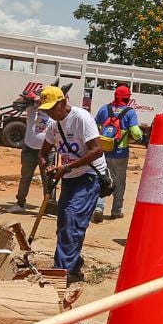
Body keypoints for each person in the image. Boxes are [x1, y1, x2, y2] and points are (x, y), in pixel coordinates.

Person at [38, 85, 105, 283]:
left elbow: (97, 150)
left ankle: (60, 275)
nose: (50, 113)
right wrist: (47, 169)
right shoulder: (53, 124)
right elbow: (43, 152)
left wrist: (66, 168)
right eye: (47, 109)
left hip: (89, 176)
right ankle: (73, 267)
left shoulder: (81, 118)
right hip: (68, 178)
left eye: (52, 108)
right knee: (64, 225)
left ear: (63, 102)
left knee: (72, 223)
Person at [93, 85, 143, 221]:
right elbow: (136, 133)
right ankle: (116, 211)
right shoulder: (129, 112)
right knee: (119, 182)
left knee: (103, 179)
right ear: (128, 98)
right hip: (120, 153)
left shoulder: (104, 109)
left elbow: (94, 125)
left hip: (103, 152)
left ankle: (98, 207)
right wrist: (140, 138)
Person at [7, 88, 51, 213]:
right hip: (29, 148)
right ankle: (20, 203)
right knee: (25, 177)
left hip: (47, 150)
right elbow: (17, 103)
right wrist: (31, 98)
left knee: (48, 179)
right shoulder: (31, 107)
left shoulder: (52, 109)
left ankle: (48, 206)